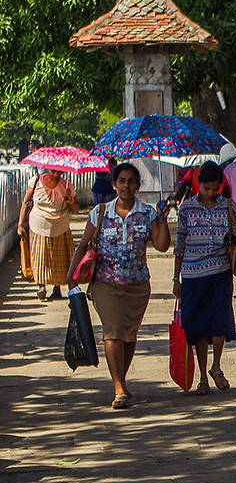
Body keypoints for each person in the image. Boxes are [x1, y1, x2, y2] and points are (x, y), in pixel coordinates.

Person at [66, 163, 172, 409]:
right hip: (106, 283)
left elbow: (161, 245)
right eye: (121, 181)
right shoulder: (100, 212)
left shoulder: (147, 213)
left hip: (137, 286)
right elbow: (83, 245)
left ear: (138, 185)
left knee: (129, 335)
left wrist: (162, 220)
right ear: (114, 184)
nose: (126, 185)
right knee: (113, 331)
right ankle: (118, 388)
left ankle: (121, 380)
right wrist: (71, 276)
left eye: (131, 181)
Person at [174, 161, 236, 396]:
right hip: (193, 277)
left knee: (219, 323)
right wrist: (176, 279)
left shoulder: (228, 206)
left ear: (221, 186)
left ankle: (216, 366)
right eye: (206, 188)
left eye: (215, 189)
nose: (210, 193)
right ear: (198, 185)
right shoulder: (186, 209)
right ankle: (203, 377)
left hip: (221, 274)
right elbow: (180, 245)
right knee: (198, 328)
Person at [18, 169, 79, 301]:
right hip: (38, 225)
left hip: (60, 226)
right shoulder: (36, 182)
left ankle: (57, 288)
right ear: (47, 168)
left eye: (59, 172)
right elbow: (26, 203)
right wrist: (20, 223)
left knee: (58, 258)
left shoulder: (67, 185)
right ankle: (41, 286)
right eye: (53, 172)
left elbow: (76, 210)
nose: (56, 175)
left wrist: (70, 199)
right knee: (40, 256)